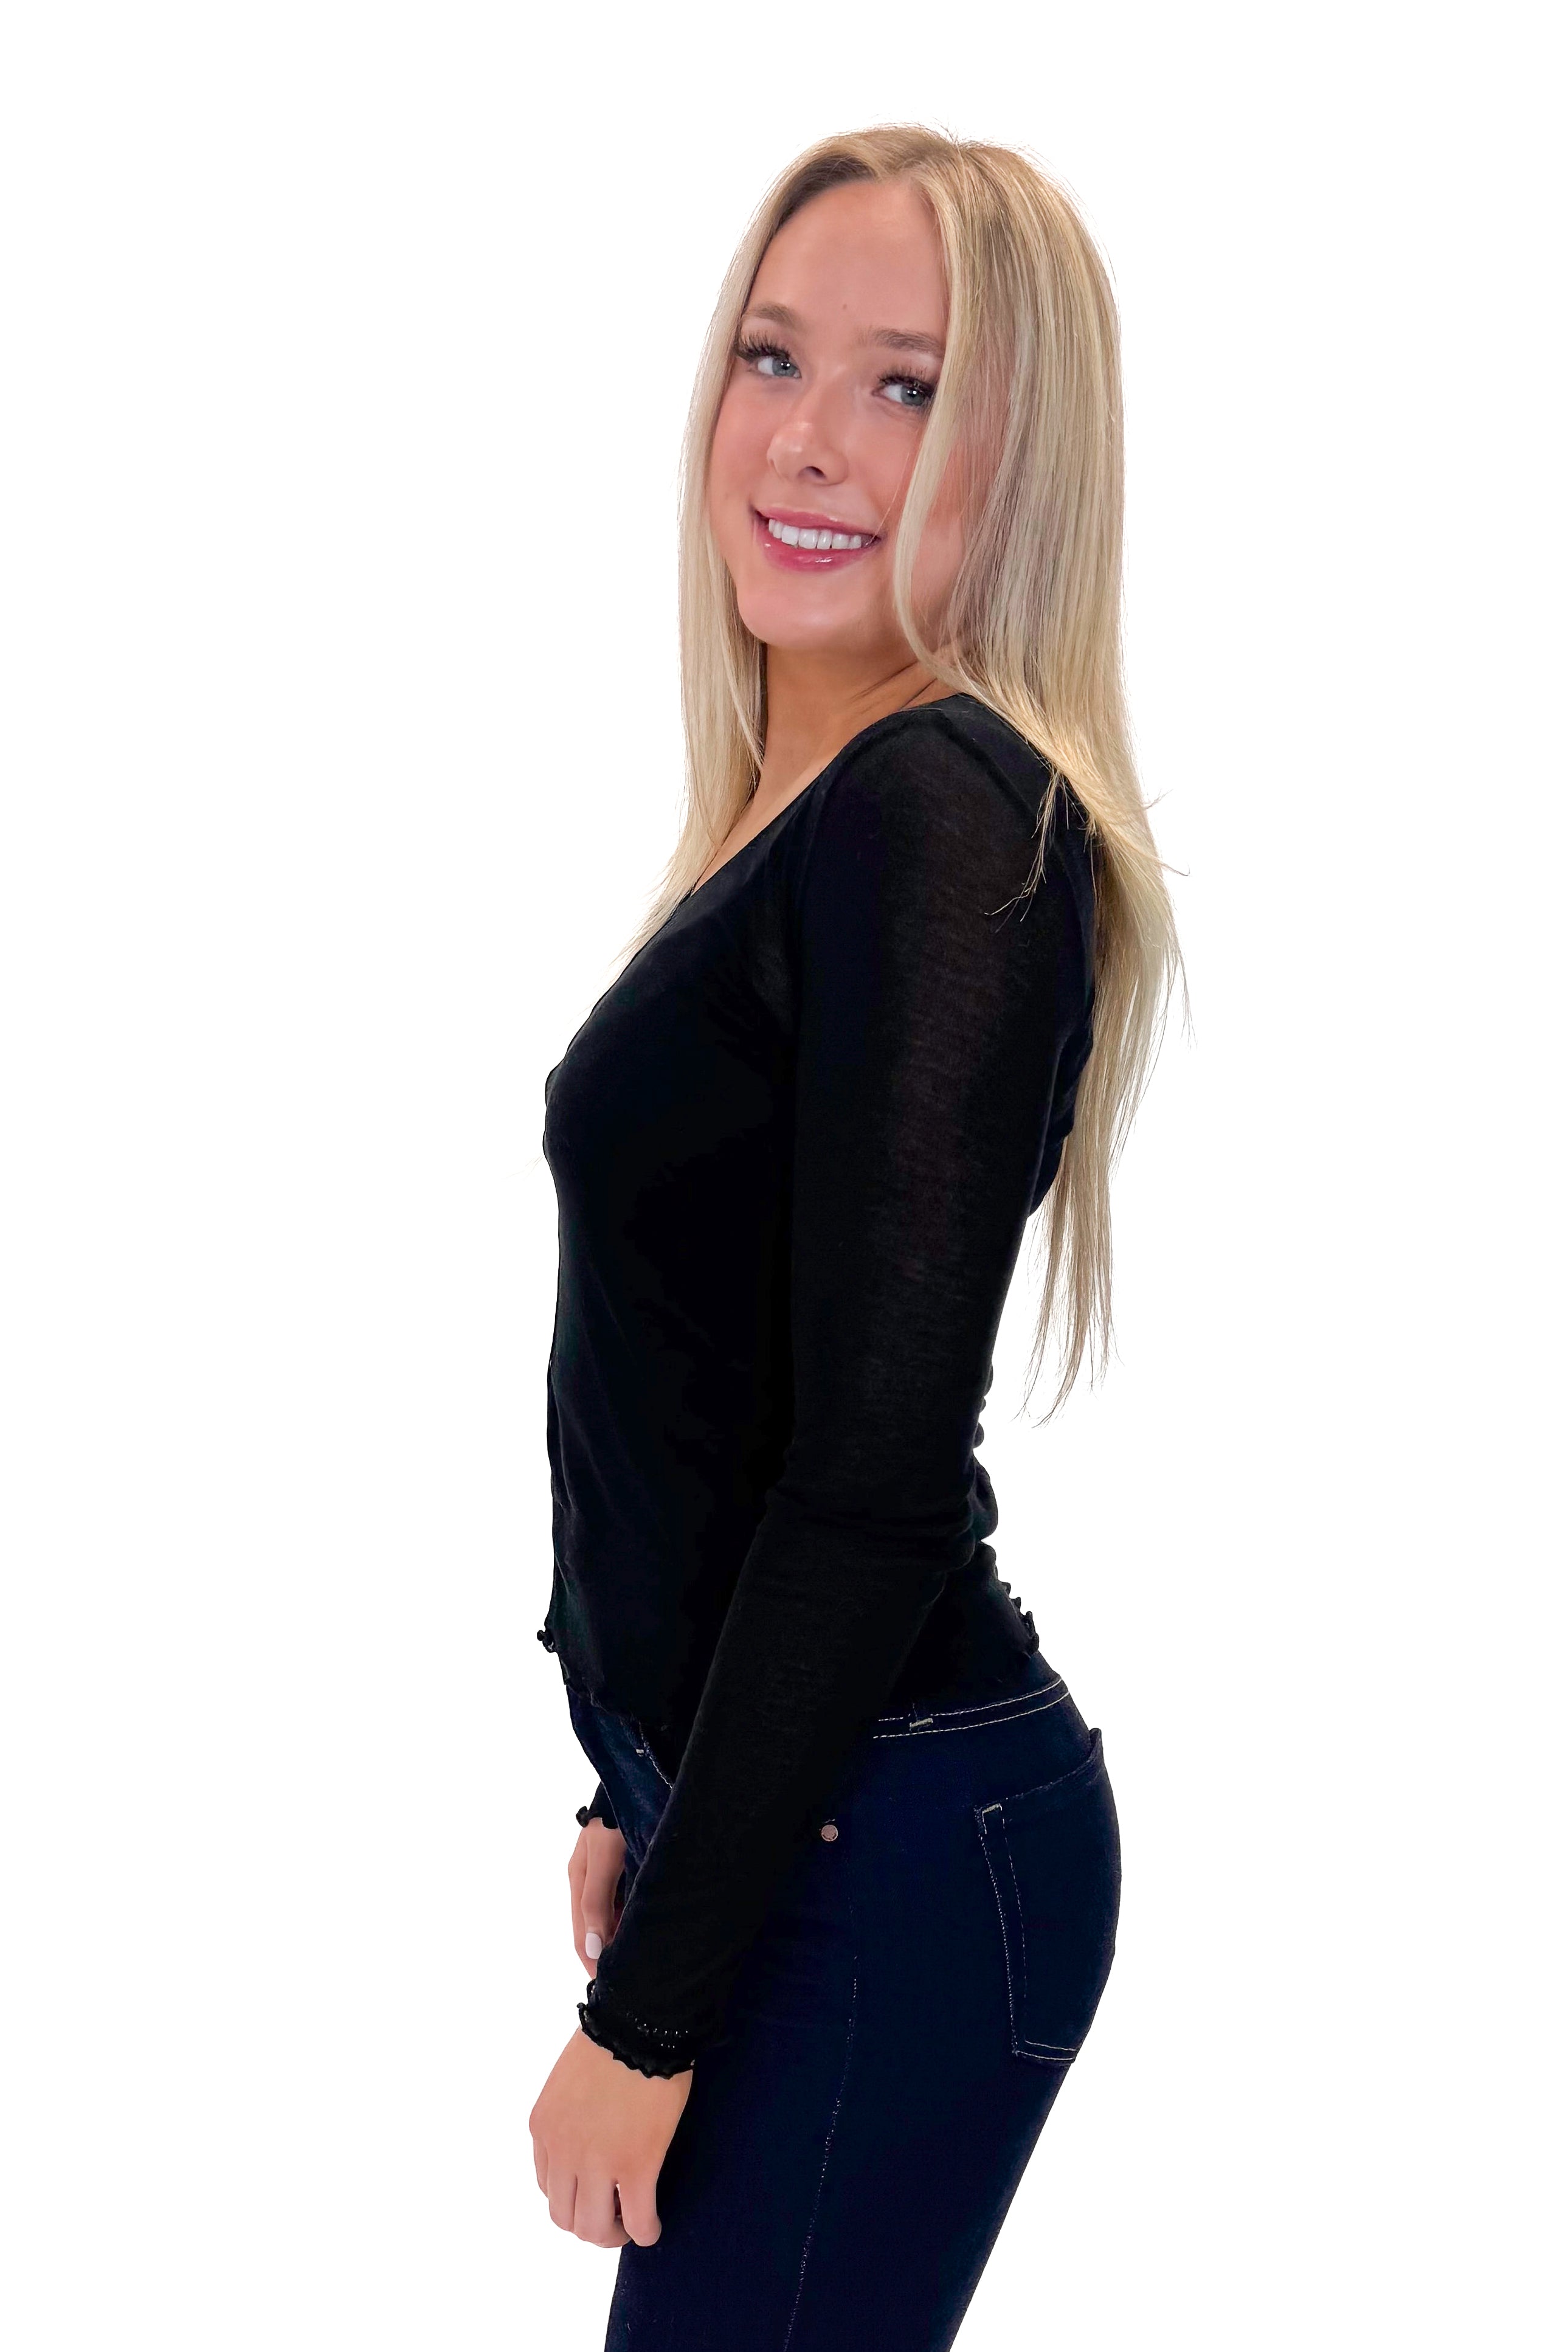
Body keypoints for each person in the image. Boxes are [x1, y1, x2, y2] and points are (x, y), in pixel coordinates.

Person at [528, 123, 1180, 2351]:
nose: (808, 440)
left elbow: (871, 1476)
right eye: (772, 354)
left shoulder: (938, 809)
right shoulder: (809, 812)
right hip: (794, 1812)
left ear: (1027, 457)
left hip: (886, 1848)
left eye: (909, 385)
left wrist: (658, 2001)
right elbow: (701, 1381)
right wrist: (645, 1767)